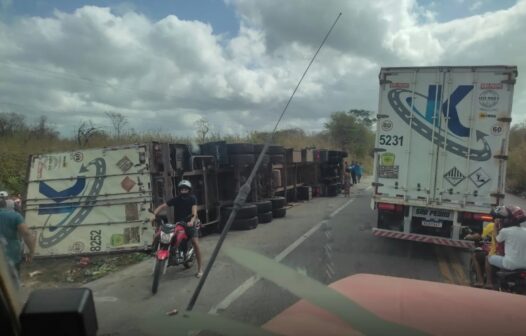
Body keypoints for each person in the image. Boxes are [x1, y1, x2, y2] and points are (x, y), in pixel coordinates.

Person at [151, 180, 203, 279]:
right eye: (182, 188)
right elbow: (163, 206)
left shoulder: (192, 198)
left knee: (195, 243)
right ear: (179, 190)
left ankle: (200, 269)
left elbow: (194, 212)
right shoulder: (176, 199)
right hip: (178, 224)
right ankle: (163, 252)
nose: (184, 190)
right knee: (163, 235)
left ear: (189, 189)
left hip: (189, 223)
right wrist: (154, 214)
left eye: (185, 188)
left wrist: (192, 220)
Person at [485, 205, 526, 289]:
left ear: (508, 220)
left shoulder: (505, 231)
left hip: (510, 264)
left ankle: (489, 283)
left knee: (487, 258)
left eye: (503, 219)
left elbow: (497, 240)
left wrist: (496, 227)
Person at [0, 193, 36, 277]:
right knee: (12, 284)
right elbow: (26, 234)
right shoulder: (15, 216)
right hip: (11, 256)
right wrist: (31, 252)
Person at [464, 222, 497, 287]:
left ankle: (481, 281)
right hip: (506, 255)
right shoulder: (509, 228)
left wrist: (468, 237)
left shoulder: (492, 225)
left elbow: (480, 236)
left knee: (475, 256)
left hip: (494, 253)